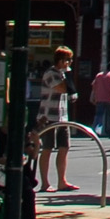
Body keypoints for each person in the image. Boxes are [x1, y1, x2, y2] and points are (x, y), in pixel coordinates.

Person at [36, 48, 75, 193]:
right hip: (48, 117)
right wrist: (69, 75)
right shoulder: (51, 74)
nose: (70, 63)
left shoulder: (63, 74)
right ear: (61, 60)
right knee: (47, 148)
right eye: (68, 60)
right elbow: (63, 88)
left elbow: (71, 93)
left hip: (62, 116)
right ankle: (45, 183)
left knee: (64, 147)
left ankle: (62, 181)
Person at [89, 62, 110, 139]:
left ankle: (95, 132)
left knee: (98, 116)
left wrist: (93, 96)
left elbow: (94, 86)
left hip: (100, 98)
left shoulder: (99, 75)